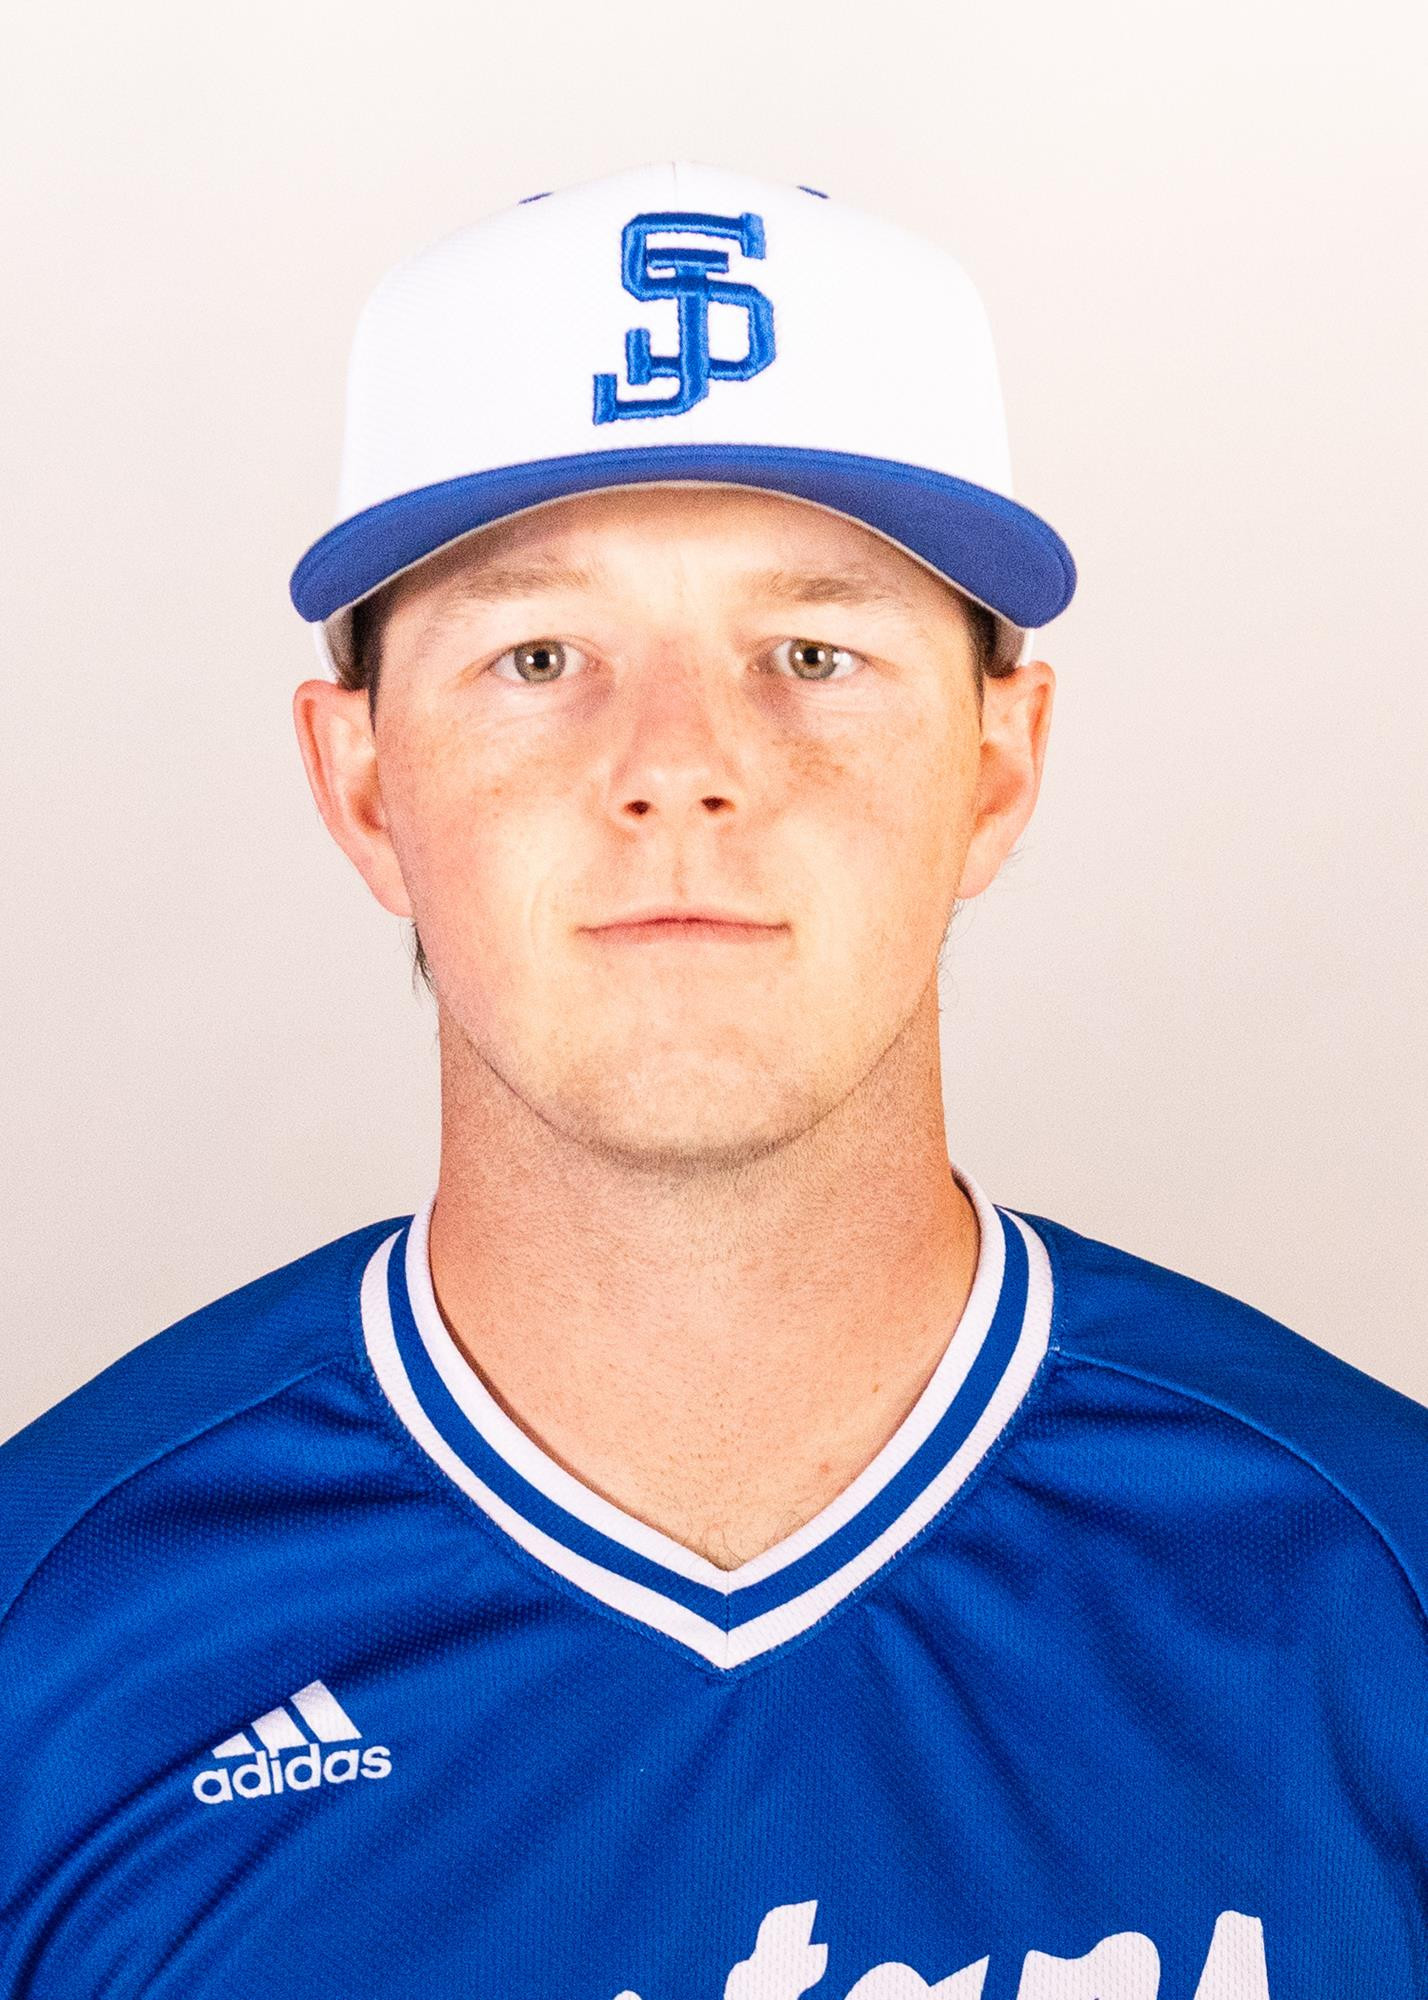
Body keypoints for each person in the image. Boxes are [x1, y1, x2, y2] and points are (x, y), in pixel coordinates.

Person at [1, 161, 1424, 1999]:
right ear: (360, 782)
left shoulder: (1379, 1594)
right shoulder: (50, 1644)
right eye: (538, 656)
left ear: (999, 764)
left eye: (813, 654)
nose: (678, 766)